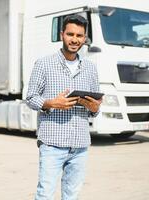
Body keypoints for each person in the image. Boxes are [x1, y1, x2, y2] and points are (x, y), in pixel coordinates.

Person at [26, 15, 102, 200]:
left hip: (80, 145)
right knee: (45, 194)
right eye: (70, 34)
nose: (74, 39)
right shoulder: (43, 64)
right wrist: (51, 103)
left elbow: (96, 108)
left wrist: (93, 107)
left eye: (79, 35)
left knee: (72, 196)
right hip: (52, 144)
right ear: (62, 34)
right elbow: (30, 98)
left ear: (85, 38)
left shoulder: (91, 68)